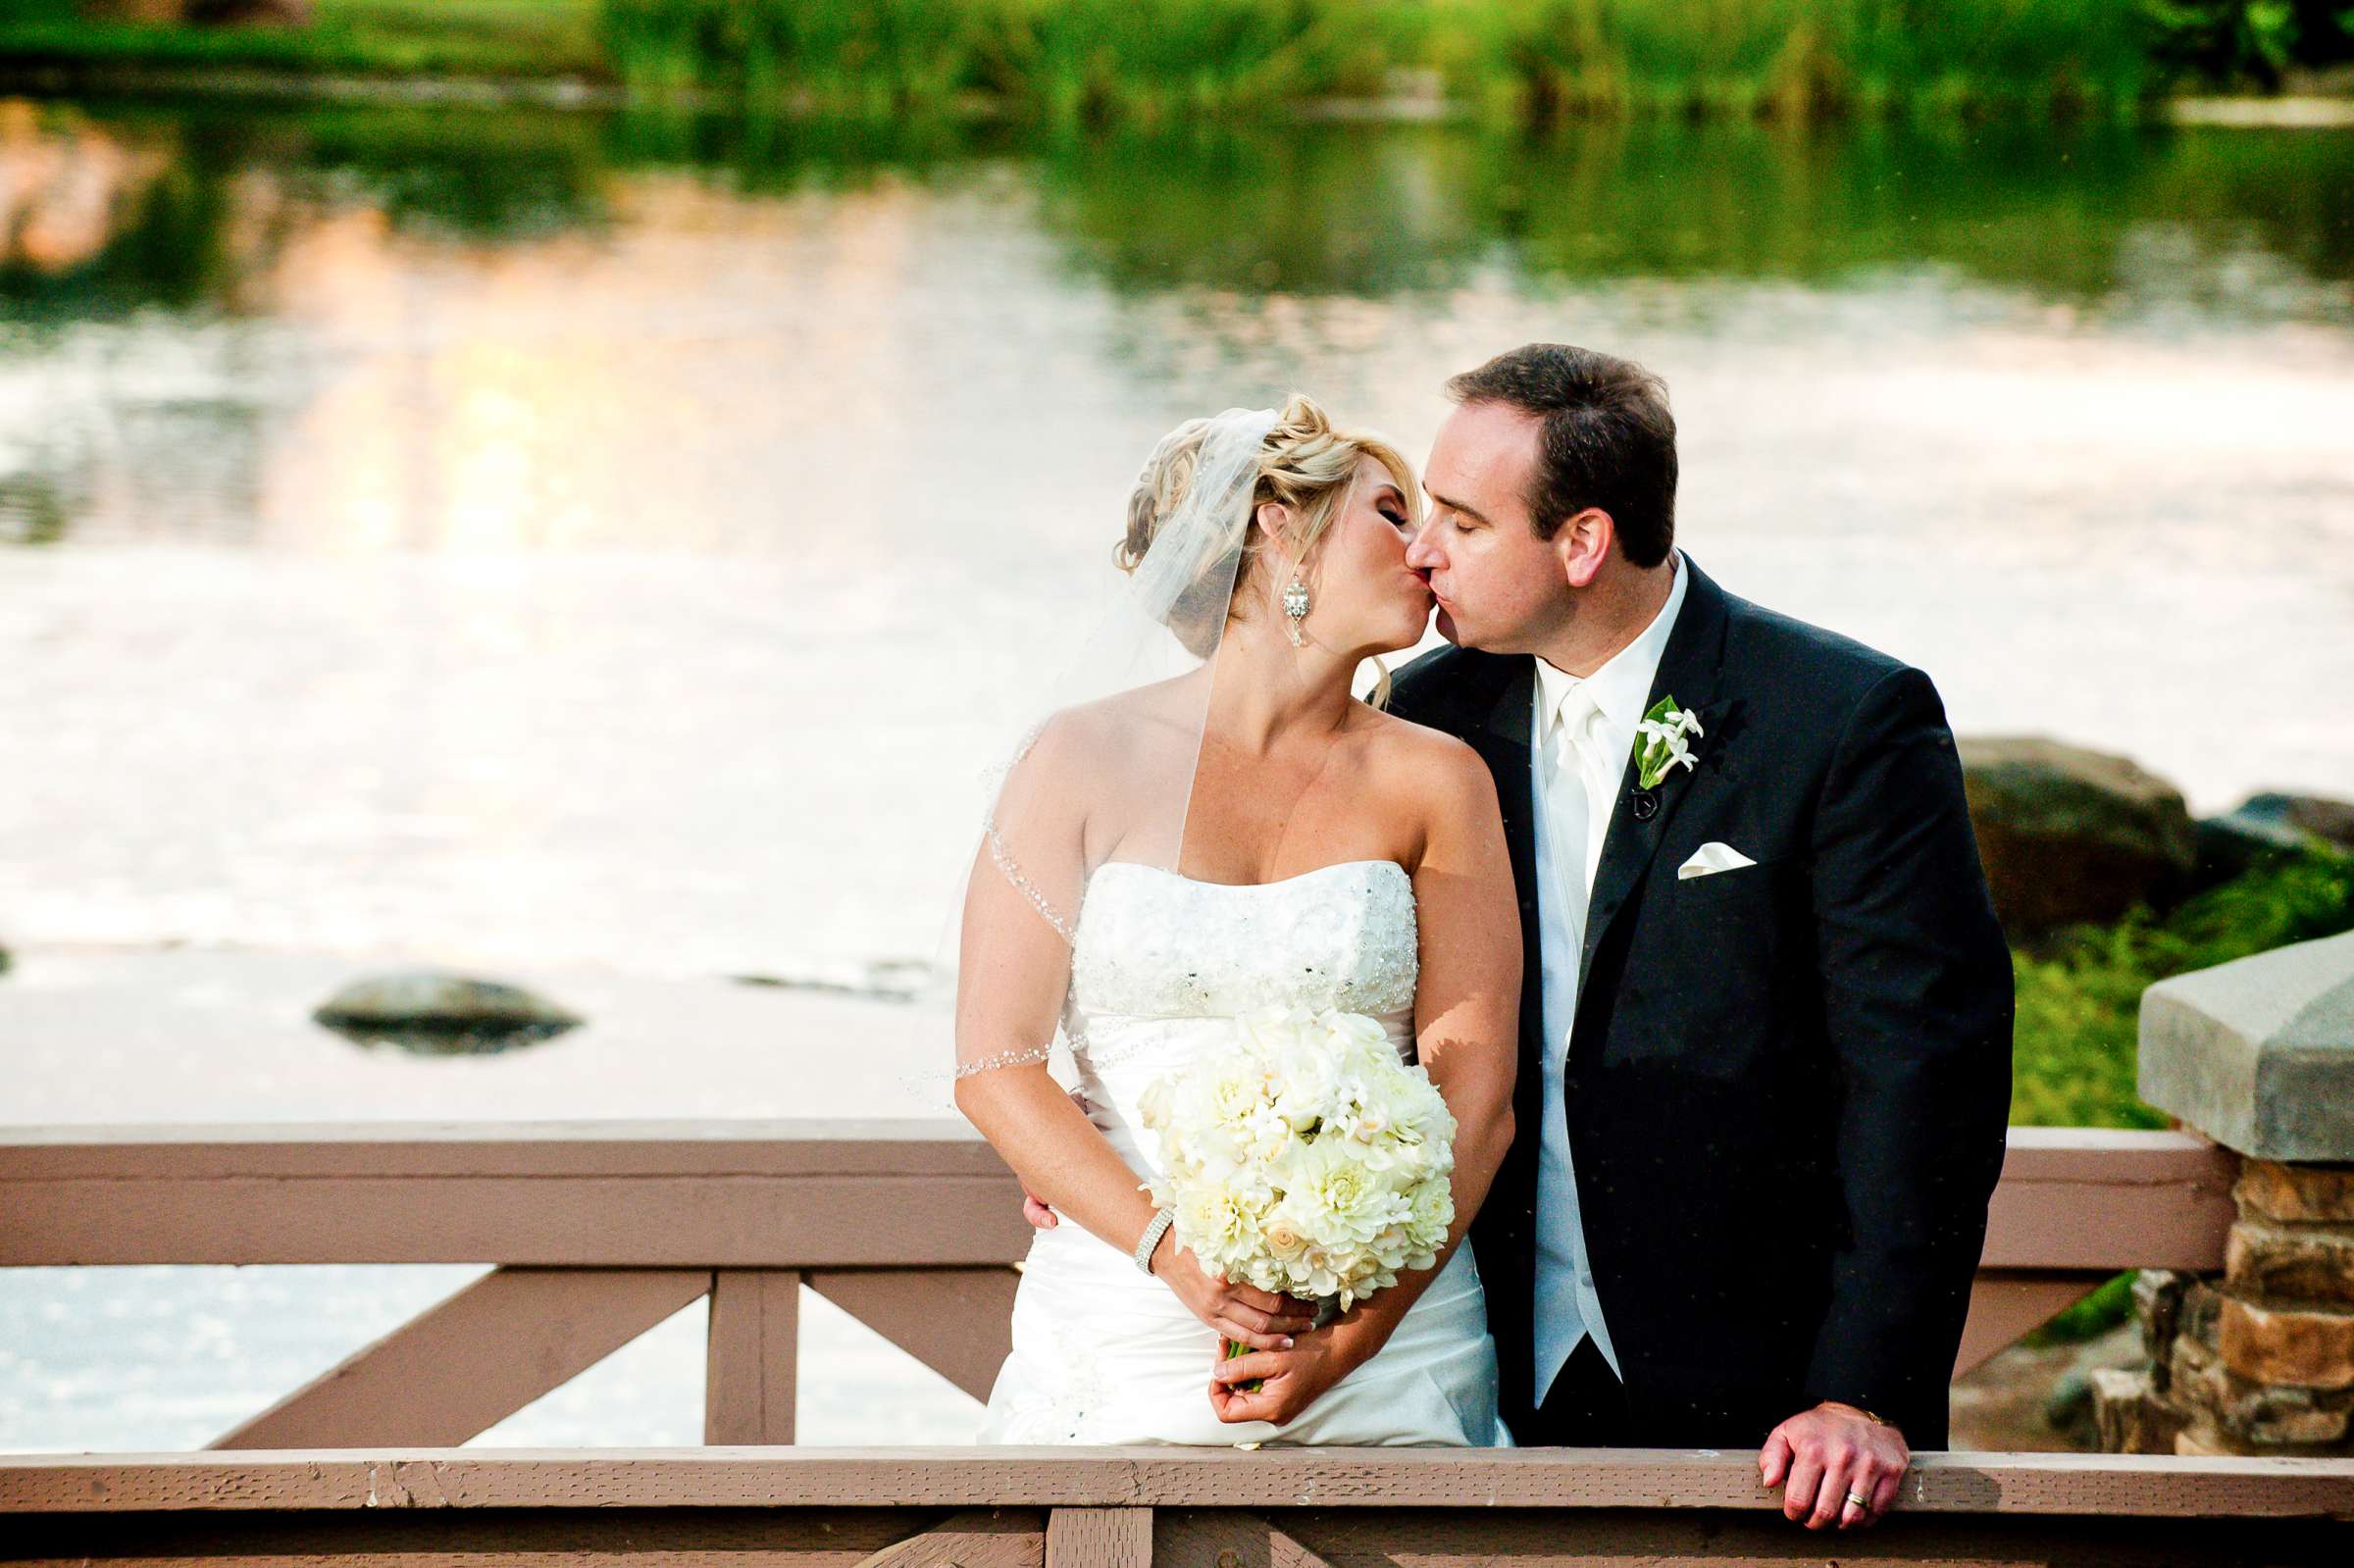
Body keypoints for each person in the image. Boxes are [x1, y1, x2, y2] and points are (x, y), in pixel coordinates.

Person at [1375, 342, 2015, 1530]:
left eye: (1461, 525)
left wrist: (1864, 1391)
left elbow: (1926, 1075)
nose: (1422, 556)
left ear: (1582, 544)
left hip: (1772, 1410)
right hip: (1474, 1362)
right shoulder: (1428, 718)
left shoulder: (1840, 719)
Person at [951, 395, 1520, 1445]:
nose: (1429, 549)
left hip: (1388, 1334)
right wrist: (1175, 1257)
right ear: (1276, 522)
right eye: (1393, 513)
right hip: (1128, 1317)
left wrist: (1345, 1343)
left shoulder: (1440, 780)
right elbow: (997, 1069)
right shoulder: (1076, 761)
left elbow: (1473, 1098)